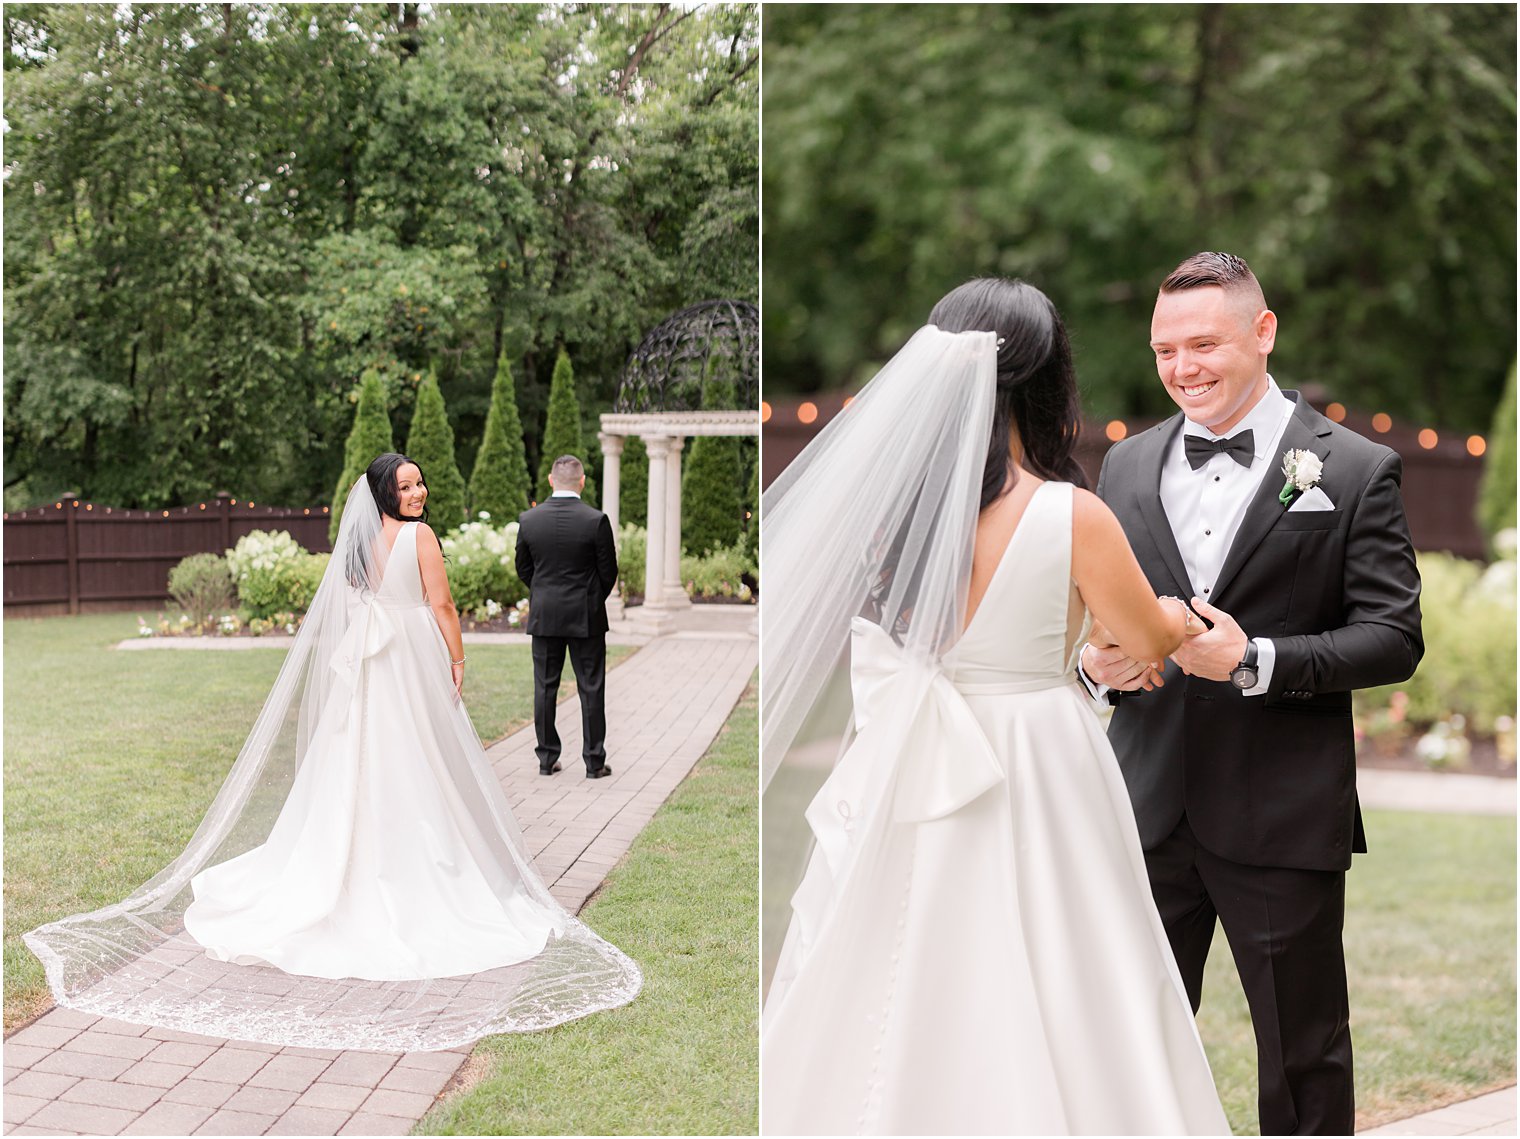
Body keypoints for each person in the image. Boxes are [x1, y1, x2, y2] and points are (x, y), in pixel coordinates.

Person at [760, 278, 1230, 1134]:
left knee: (904, 953)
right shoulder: (1071, 515)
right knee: (1070, 960)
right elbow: (1150, 640)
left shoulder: (902, 511)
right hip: (1037, 751)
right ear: (1049, 382)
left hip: (914, 751)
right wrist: (1172, 615)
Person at [25, 453, 640, 1051]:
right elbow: (443, 606)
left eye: (419, 484)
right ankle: (411, 872)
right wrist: (457, 660)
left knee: (362, 760)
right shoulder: (419, 539)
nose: (418, 494)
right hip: (406, 660)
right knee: (417, 763)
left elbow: (352, 609)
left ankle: (349, 863)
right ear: (385, 495)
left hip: (370, 665)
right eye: (405, 488)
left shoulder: (355, 547)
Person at [1081, 252, 1423, 1135]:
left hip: (1280, 810)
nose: (1182, 367)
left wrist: (1256, 657)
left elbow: (1393, 636)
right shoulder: (1123, 466)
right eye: (1165, 350)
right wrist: (1096, 666)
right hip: (1144, 806)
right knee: (1126, 1044)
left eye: (1204, 343)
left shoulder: (1352, 469)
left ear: (1263, 332)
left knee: (1303, 1052)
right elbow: (1093, 622)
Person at [515, 454, 619, 779]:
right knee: (591, 687)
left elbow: (523, 568)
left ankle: (547, 759)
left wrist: (544, 593)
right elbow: (608, 572)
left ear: (550, 480)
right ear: (582, 481)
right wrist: (589, 599)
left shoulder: (529, 520)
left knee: (545, 687)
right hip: (585, 617)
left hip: (545, 615)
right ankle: (594, 762)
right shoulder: (596, 519)